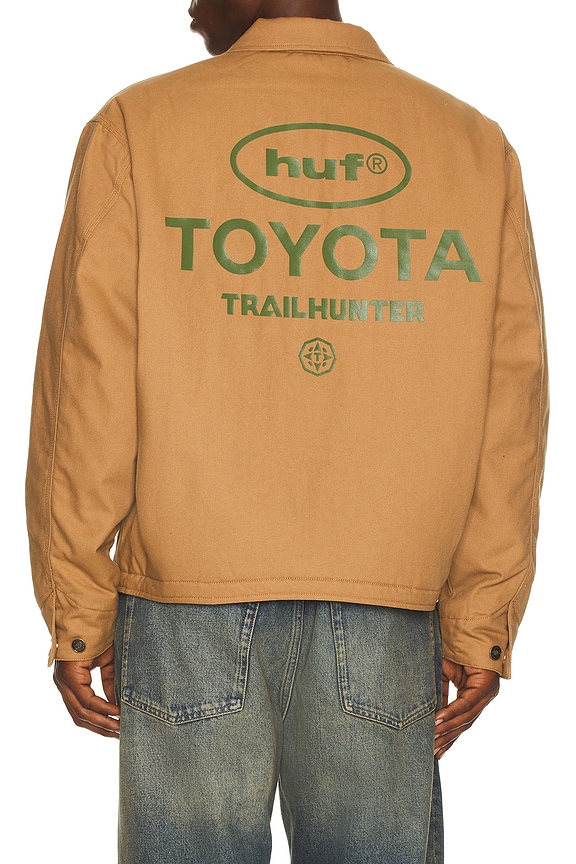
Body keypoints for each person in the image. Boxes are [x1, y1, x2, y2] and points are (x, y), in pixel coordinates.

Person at [25, 1, 547, 862]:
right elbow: (511, 409)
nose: (190, 7)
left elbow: (85, 383)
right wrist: (482, 615)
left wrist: (78, 607)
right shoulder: (470, 146)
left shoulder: (139, 127)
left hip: (187, 603)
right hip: (388, 605)